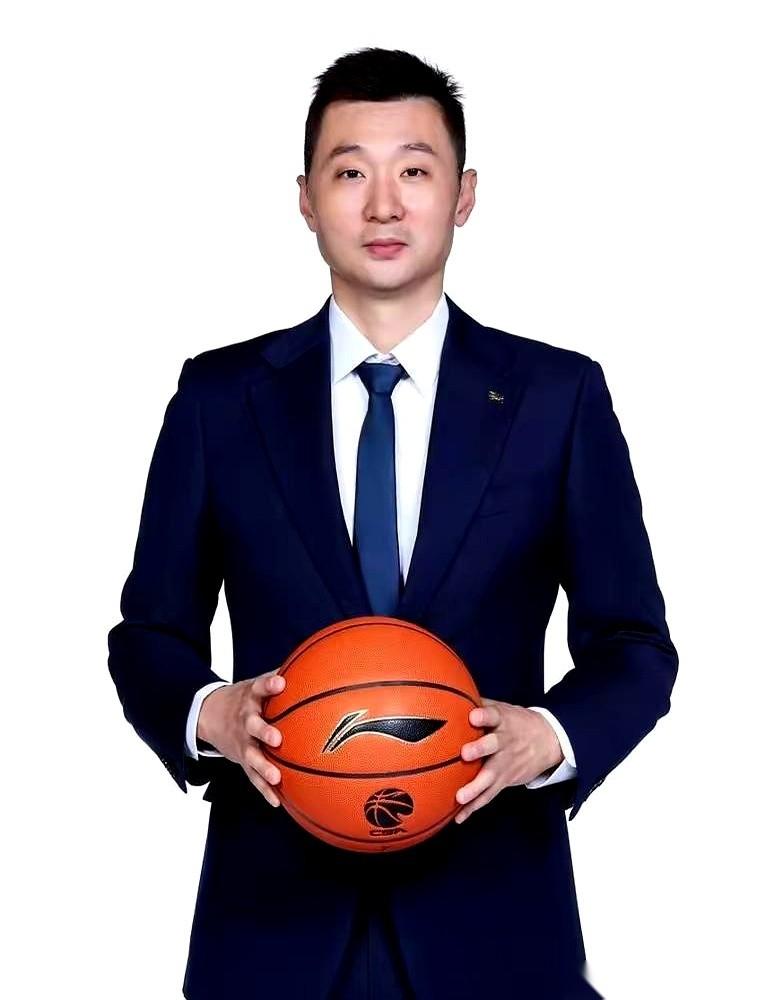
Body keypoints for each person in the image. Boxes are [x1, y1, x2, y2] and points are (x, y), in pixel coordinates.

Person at [107, 46, 678, 999]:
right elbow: (149, 637)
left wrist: (550, 735)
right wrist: (214, 713)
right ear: (305, 199)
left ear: (463, 195)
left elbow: (634, 645)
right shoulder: (218, 399)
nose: (383, 205)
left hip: (498, 927)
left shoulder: (557, 397)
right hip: (272, 931)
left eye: (414, 170)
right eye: (349, 173)